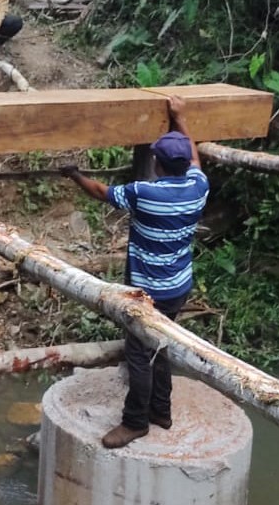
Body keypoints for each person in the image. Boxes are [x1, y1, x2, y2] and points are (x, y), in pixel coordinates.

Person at [60, 95, 209, 449]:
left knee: (139, 354)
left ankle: (135, 422)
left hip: (147, 293)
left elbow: (101, 191)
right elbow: (195, 158)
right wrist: (180, 117)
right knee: (160, 346)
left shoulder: (144, 193)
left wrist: (74, 174)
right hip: (178, 287)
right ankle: (162, 411)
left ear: (157, 162)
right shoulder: (198, 186)